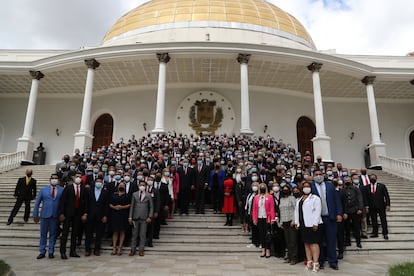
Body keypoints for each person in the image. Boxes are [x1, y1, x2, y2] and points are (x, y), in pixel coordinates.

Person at [311, 169, 343, 270]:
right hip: (317, 219)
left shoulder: (330, 186)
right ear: (313, 176)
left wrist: (339, 213)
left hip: (330, 217)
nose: (318, 176)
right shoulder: (310, 186)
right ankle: (320, 261)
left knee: (331, 240)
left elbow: (336, 200)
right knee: (318, 241)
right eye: (316, 175)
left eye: (320, 174)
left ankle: (333, 261)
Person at [32, 173, 63, 259]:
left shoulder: (62, 190)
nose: (54, 180)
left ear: (58, 180)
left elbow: (63, 203)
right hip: (45, 215)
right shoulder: (43, 190)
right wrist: (35, 214)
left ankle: (51, 251)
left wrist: (62, 214)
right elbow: (37, 203)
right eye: (52, 178)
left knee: (53, 234)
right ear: (50, 180)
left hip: (55, 215)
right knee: (43, 234)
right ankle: (42, 251)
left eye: (56, 178)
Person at [58, 171, 88, 259]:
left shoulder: (83, 189)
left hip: (78, 214)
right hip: (68, 214)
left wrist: (85, 213)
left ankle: (73, 251)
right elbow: (63, 201)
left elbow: (86, 202)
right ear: (74, 178)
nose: (78, 178)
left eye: (80, 176)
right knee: (65, 233)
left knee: (75, 233)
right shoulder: (68, 188)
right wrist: (62, 213)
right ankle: (63, 252)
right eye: (77, 176)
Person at [294, 181, 322, 273]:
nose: (306, 188)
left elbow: (317, 211)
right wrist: (297, 223)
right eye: (304, 186)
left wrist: (315, 223)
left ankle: (316, 263)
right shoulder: (300, 199)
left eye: (308, 186)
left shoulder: (315, 198)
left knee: (313, 243)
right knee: (306, 244)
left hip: (312, 224)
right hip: (303, 224)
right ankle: (309, 261)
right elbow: (297, 212)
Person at [84, 177, 109, 256]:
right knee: (88, 233)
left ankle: (97, 249)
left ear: (102, 183)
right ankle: (87, 249)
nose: (98, 183)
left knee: (99, 234)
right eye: (97, 181)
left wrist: (105, 215)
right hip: (90, 215)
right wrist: (85, 213)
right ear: (94, 183)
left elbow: (106, 205)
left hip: (100, 216)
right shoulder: (89, 191)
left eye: (100, 182)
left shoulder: (105, 192)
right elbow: (86, 203)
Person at [129, 180, 154, 257]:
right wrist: (130, 217)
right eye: (141, 185)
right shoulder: (134, 194)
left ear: (145, 186)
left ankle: (141, 250)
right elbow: (132, 206)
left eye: (143, 185)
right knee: (134, 235)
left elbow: (151, 207)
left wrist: (150, 216)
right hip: (135, 217)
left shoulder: (148, 195)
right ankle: (132, 250)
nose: (142, 186)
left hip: (144, 218)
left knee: (142, 235)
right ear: (138, 186)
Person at [252, 183, 275, 258]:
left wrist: (272, 218)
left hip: (267, 217)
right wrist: (254, 219)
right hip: (259, 217)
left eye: (263, 187)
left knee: (267, 234)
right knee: (261, 234)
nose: (262, 188)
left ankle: (268, 249)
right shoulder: (256, 197)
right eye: (261, 187)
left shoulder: (270, 197)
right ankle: (263, 249)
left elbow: (272, 208)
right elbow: (254, 209)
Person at [109, 181, 131, 256]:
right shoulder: (113, 195)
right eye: (120, 185)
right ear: (118, 186)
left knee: (122, 231)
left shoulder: (127, 196)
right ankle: (114, 247)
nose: (121, 186)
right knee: (115, 231)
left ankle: (120, 248)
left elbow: (129, 205)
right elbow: (110, 204)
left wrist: (121, 207)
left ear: (125, 187)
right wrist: (114, 207)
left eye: (123, 185)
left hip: (123, 214)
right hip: (114, 214)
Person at [279, 184, 298, 265]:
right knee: (288, 241)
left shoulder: (292, 198)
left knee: (293, 240)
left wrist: (294, 220)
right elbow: (281, 211)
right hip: (284, 221)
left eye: (287, 189)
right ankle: (289, 257)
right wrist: (280, 222)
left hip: (291, 221)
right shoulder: (281, 199)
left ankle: (294, 258)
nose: (285, 190)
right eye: (284, 189)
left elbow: (295, 209)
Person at [368, 174, 391, 240]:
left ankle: (385, 233)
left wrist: (388, 205)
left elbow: (386, 196)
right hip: (372, 206)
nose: (372, 179)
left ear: (376, 178)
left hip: (381, 206)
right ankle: (375, 233)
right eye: (371, 178)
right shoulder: (367, 187)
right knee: (374, 220)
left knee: (383, 220)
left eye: (374, 178)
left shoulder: (382, 186)